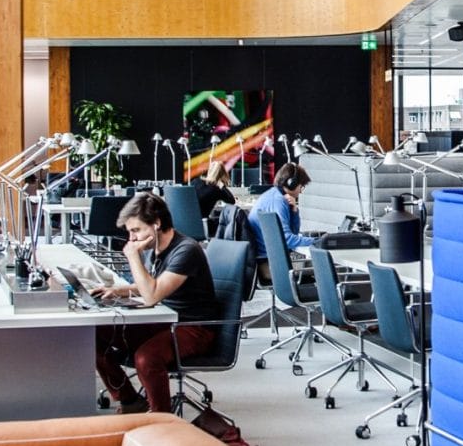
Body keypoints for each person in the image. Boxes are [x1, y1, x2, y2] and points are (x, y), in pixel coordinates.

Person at [95, 189, 218, 413]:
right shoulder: (157, 248)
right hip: (165, 319)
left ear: (156, 224)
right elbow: (153, 285)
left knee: (146, 358)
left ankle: (161, 418)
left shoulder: (186, 250)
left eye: (135, 230)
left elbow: (152, 295)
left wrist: (133, 256)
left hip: (194, 328)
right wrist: (118, 291)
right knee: (93, 335)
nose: (131, 239)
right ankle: (130, 400)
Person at [247, 162, 318, 261]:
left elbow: (293, 233)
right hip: (268, 261)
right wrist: (317, 241)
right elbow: (287, 239)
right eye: (301, 187)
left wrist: (294, 211)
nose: (301, 192)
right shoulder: (278, 201)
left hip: (268, 258)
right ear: (291, 183)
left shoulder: (274, 195)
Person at [195, 157, 237, 227]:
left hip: (187, 224)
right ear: (223, 175)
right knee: (232, 221)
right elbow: (232, 201)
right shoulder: (217, 189)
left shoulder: (196, 181)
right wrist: (222, 185)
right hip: (203, 226)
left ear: (209, 171)